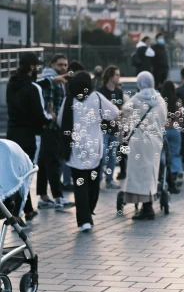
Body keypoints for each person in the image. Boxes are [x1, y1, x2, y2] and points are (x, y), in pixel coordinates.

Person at [57, 71, 119, 232]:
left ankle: (84, 219)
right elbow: (114, 113)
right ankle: (89, 210)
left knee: (80, 185)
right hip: (94, 148)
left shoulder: (68, 99)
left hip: (75, 149)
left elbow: (60, 121)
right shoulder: (96, 97)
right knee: (93, 183)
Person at [6, 52, 53, 223]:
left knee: (14, 174)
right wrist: (50, 116)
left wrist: (52, 80)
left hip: (12, 134)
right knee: (26, 175)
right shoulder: (34, 88)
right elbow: (39, 116)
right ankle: (16, 215)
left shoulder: (11, 84)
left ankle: (29, 210)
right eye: (36, 66)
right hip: (30, 136)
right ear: (32, 67)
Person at [120, 71, 167, 220]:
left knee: (138, 174)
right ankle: (149, 205)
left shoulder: (136, 99)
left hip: (139, 142)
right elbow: (163, 120)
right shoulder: (160, 100)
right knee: (151, 173)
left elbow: (124, 116)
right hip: (155, 142)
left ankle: (146, 208)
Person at [36, 53, 74, 211]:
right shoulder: (51, 80)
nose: (63, 68)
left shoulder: (54, 79)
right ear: (52, 65)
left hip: (50, 127)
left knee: (44, 162)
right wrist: (52, 116)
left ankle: (43, 196)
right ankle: (58, 197)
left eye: (65, 65)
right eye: (60, 65)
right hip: (51, 127)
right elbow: (48, 101)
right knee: (53, 162)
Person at [98, 65, 125, 189]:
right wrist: (110, 117)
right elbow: (99, 111)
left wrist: (119, 117)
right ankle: (98, 179)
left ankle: (109, 179)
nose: (119, 77)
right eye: (117, 75)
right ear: (110, 76)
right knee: (102, 155)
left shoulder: (118, 92)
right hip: (103, 128)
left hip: (114, 129)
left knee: (112, 156)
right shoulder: (101, 92)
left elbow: (120, 109)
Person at [161, 79, 184, 192]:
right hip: (175, 130)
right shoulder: (177, 100)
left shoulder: (161, 101)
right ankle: (177, 172)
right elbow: (180, 116)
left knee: (164, 155)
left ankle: (166, 176)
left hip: (163, 130)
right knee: (176, 153)